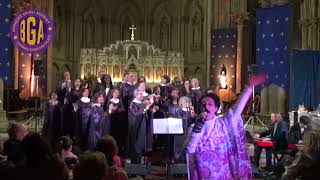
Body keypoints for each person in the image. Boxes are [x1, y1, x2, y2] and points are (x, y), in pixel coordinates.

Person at [186, 73, 267, 179]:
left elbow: (237, 109)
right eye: (203, 104)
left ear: (216, 108)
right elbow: (190, 150)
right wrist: (199, 124)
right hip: (204, 174)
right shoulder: (194, 126)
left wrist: (249, 87)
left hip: (222, 173)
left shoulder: (223, 123)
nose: (206, 106)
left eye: (210, 104)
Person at [128, 89, 152, 163]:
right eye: (140, 94)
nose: (142, 96)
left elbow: (145, 115)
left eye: (142, 94)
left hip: (142, 127)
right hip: (136, 128)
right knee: (136, 146)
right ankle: (134, 166)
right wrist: (145, 109)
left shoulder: (141, 103)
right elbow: (135, 115)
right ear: (136, 95)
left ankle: (139, 166)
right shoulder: (133, 104)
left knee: (140, 145)